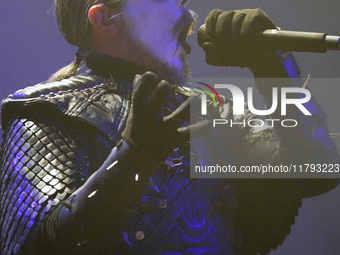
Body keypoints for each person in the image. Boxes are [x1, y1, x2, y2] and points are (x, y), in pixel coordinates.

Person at [0, 0, 339, 254]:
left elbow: (315, 171)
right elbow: (45, 244)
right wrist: (135, 157)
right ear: (104, 19)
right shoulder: (47, 110)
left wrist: (275, 64)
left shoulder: (209, 107)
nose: (187, 12)